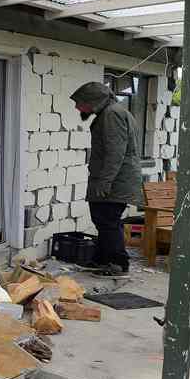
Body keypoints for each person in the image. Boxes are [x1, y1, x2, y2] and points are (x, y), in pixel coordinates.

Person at [69, 81, 144, 275]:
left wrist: (105, 181)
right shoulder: (112, 112)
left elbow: (115, 152)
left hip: (115, 182)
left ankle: (118, 264)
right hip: (114, 180)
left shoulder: (112, 114)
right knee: (104, 220)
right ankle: (102, 259)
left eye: (80, 102)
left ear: (94, 101)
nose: (77, 107)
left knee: (108, 221)